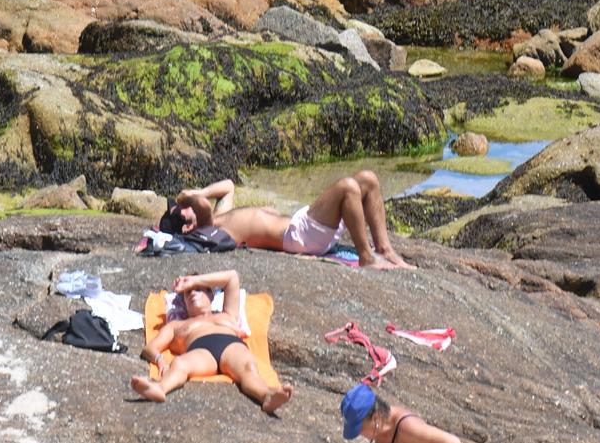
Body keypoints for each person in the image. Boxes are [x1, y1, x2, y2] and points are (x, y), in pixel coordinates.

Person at [168, 166, 413, 269]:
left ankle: (385, 248)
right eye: (183, 212)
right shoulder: (209, 231)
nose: (186, 208)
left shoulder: (220, 217)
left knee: (368, 179)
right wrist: (190, 197)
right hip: (299, 237)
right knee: (349, 186)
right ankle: (367, 257)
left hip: (304, 225)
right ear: (188, 226)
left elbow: (228, 186)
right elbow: (202, 205)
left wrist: (201, 192)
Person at [129, 273, 292, 415]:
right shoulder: (177, 325)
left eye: (198, 289)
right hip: (201, 350)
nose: (192, 293)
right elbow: (150, 348)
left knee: (248, 368)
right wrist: (160, 360)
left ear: (211, 295)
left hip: (231, 345)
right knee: (179, 363)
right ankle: (160, 389)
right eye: (187, 293)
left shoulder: (227, 314)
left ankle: (266, 396)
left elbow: (232, 277)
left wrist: (192, 280)